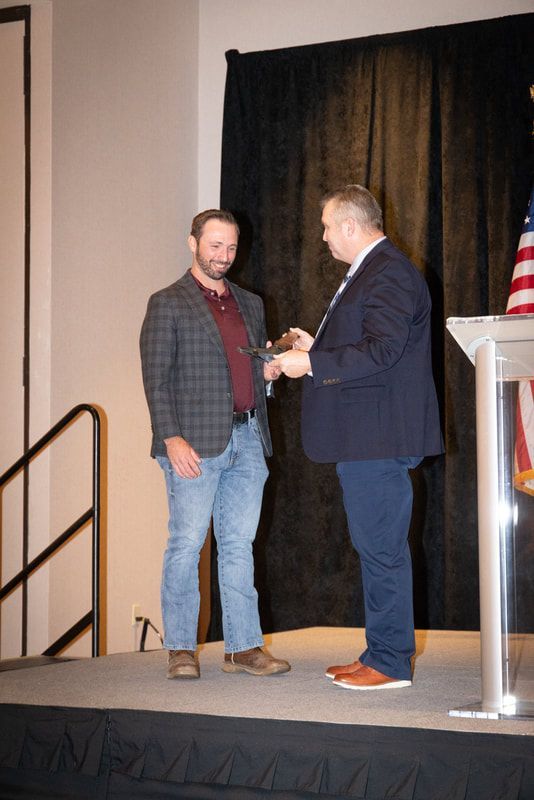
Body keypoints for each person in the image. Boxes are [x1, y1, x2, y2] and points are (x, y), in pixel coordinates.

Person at [275, 185, 443, 691]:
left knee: (382, 550)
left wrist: (313, 362)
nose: (323, 237)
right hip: (367, 436)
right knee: (375, 548)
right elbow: (370, 345)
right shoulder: (376, 270)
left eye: (327, 227)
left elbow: (384, 349)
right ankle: (379, 650)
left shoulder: (387, 270)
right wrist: (316, 346)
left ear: (350, 226)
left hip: (378, 436)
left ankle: (390, 663)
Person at [140, 209, 290, 679]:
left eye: (230, 247)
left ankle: (243, 648)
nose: (224, 256)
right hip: (192, 445)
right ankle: (181, 649)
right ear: (193, 243)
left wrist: (266, 375)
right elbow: (156, 379)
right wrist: (171, 439)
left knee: (239, 545)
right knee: (186, 544)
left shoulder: (250, 302)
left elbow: (245, 369)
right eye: (214, 246)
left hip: (247, 438)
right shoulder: (167, 302)